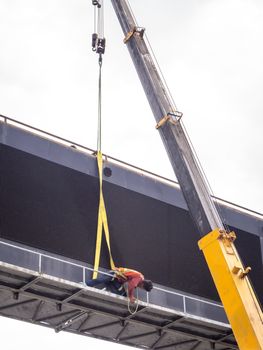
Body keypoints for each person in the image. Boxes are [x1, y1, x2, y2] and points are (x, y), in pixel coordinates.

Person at [86, 267, 153, 302]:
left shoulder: (139, 279)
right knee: (100, 280)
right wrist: (130, 296)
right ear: (143, 285)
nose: (140, 288)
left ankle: (106, 291)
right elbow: (131, 285)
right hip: (114, 274)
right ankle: (86, 284)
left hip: (118, 281)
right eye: (142, 288)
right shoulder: (139, 277)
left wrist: (129, 297)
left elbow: (129, 285)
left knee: (120, 293)